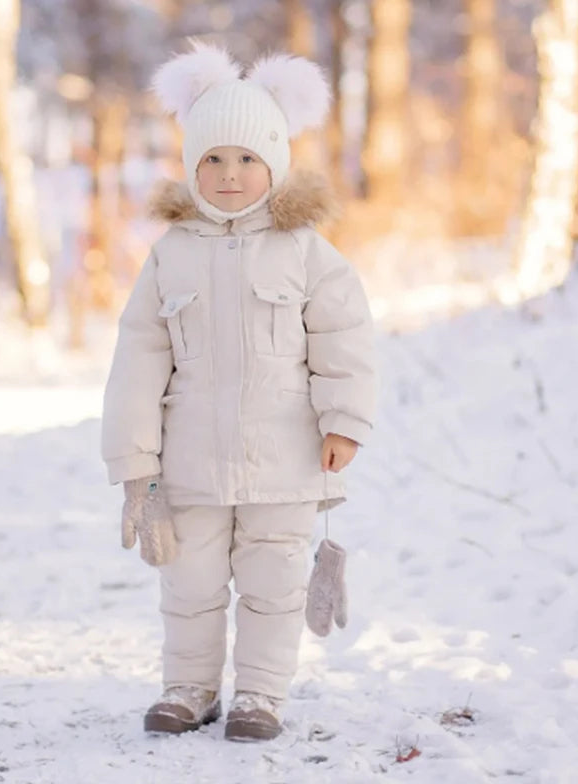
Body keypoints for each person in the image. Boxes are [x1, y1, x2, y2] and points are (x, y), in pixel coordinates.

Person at [101, 40, 375, 742]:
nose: (229, 175)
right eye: (213, 160)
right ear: (192, 167)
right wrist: (137, 466)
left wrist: (343, 421)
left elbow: (343, 340)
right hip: (189, 466)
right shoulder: (170, 254)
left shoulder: (308, 252)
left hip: (284, 462)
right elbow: (137, 358)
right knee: (188, 586)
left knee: (273, 585)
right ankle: (189, 688)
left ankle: (259, 694)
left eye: (247, 160)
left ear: (275, 165)